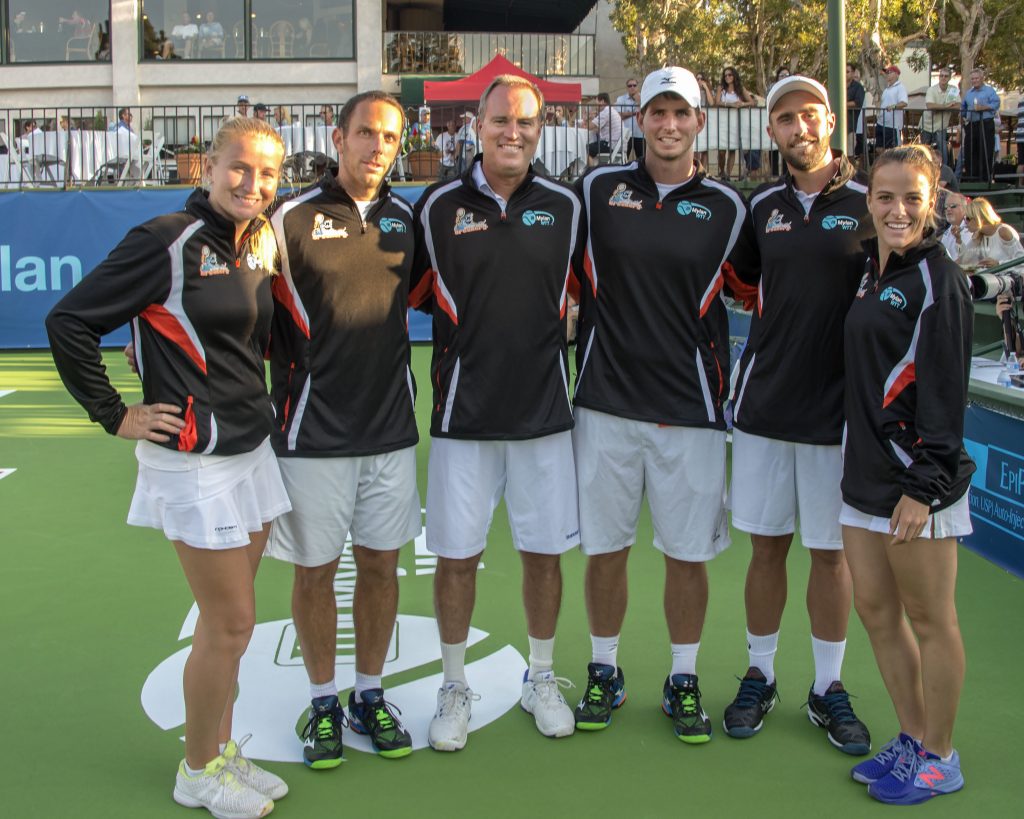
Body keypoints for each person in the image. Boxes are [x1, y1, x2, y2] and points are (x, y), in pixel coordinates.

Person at [46, 116, 291, 819]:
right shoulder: (163, 240)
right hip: (194, 461)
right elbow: (69, 322)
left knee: (235, 626)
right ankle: (197, 768)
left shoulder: (263, 238)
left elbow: (239, 336)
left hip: (251, 450)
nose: (253, 183)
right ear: (207, 169)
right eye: (239, 168)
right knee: (230, 623)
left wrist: (151, 351)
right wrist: (114, 413)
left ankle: (220, 746)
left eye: (268, 173)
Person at [571, 66, 747, 743]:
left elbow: (761, 289)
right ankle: (604, 669)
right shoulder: (594, 190)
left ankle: (682, 677)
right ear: (638, 120)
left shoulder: (731, 209)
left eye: (681, 112)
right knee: (606, 550)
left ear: (701, 121)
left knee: (686, 555)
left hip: (692, 412)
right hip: (605, 406)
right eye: (657, 112)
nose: (669, 124)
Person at [410, 74, 584, 752]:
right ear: (476, 125)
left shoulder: (569, 206)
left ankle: (540, 675)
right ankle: (453, 685)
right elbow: (393, 293)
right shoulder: (436, 206)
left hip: (545, 417)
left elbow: (596, 291)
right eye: (501, 119)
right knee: (457, 558)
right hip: (462, 416)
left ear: (541, 130)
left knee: (545, 556)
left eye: (527, 122)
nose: (514, 132)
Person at [263, 91, 421, 766]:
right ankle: (323, 700)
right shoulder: (290, 219)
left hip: (390, 433)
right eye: (365, 133)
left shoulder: (408, 221)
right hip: (312, 436)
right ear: (338, 135)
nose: (377, 147)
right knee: (316, 573)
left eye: (389, 136)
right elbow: (235, 300)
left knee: (382, 568)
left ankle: (369, 692)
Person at [725, 75, 873, 755]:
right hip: (763, 406)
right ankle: (761, 672)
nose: (798, 127)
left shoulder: (873, 206)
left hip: (837, 413)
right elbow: (744, 286)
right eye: (785, 118)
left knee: (829, 553)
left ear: (832, 122)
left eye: (809, 115)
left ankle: (827, 686)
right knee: (767, 546)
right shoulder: (761, 209)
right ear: (772, 132)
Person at [842, 144, 975, 805]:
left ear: (934, 202)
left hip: (917, 486)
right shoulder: (872, 272)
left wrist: (924, 487)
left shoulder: (938, 282)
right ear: (868, 200)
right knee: (875, 610)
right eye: (886, 197)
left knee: (930, 618)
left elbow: (947, 396)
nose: (898, 210)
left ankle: (941, 754)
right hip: (863, 478)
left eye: (912, 198)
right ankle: (912, 734)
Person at [960, 196, 1024, 269]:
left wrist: (998, 264)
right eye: (964, 219)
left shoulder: (1003, 231)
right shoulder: (980, 235)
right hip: (991, 276)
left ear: (980, 218)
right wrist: (975, 241)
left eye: (968, 218)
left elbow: (1021, 260)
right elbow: (965, 261)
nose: (965, 222)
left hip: (1011, 277)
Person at [714, 66, 755, 180]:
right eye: (725, 75)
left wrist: (742, 104)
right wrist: (730, 105)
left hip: (735, 122)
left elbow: (752, 102)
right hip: (723, 121)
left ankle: (727, 174)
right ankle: (722, 171)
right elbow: (717, 102)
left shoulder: (740, 88)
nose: (727, 77)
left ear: (734, 76)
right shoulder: (721, 88)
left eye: (730, 75)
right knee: (722, 150)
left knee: (732, 149)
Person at [961, 69, 1000, 182]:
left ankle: (985, 178)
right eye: (972, 79)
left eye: (976, 78)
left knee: (985, 150)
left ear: (982, 78)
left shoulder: (989, 91)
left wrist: (983, 107)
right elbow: (963, 108)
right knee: (970, 151)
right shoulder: (969, 93)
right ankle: (971, 177)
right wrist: (963, 116)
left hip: (986, 123)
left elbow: (996, 103)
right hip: (972, 125)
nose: (974, 81)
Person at [922, 69, 960, 167]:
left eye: (946, 76)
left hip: (941, 125)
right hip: (927, 124)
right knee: (925, 150)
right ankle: (924, 169)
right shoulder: (932, 89)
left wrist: (939, 107)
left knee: (942, 149)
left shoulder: (953, 90)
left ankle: (943, 171)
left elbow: (959, 105)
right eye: (941, 76)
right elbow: (930, 106)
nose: (943, 78)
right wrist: (947, 106)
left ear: (949, 78)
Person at [587, 92, 623, 166]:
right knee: (592, 147)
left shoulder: (606, 111)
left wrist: (589, 117)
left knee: (585, 149)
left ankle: (591, 173)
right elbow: (597, 128)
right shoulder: (611, 110)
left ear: (602, 101)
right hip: (616, 145)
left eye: (596, 103)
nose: (596, 106)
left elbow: (589, 126)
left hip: (610, 145)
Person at [877, 65, 908, 149]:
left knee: (892, 150)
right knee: (879, 148)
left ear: (896, 74)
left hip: (893, 125)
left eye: (890, 72)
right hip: (881, 123)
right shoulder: (886, 89)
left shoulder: (900, 87)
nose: (887, 74)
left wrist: (893, 106)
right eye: (887, 73)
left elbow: (904, 102)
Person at [615, 78, 644, 160]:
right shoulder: (621, 99)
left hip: (640, 134)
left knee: (641, 158)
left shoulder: (643, 98)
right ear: (627, 88)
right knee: (624, 158)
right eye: (630, 85)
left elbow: (646, 113)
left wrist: (639, 102)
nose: (632, 87)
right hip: (626, 134)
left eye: (634, 85)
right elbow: (618, 115)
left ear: (637, 87)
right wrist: (634, 113)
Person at [938, 191, 969, 261]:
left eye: (953, 206)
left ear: (964, 209)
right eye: (946, 207)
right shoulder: (947, 231)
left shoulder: (970, 230)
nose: (948, 209)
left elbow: (966, 259)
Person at [846, 63, 866, 163]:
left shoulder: (858, 87)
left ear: (853, 73)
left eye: (847, 72)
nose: (845, 74)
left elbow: (858, 103)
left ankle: (853, 177)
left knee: (850, 155)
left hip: (849, 126)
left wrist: (842, 104)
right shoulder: (838, 85)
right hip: (836, 125)